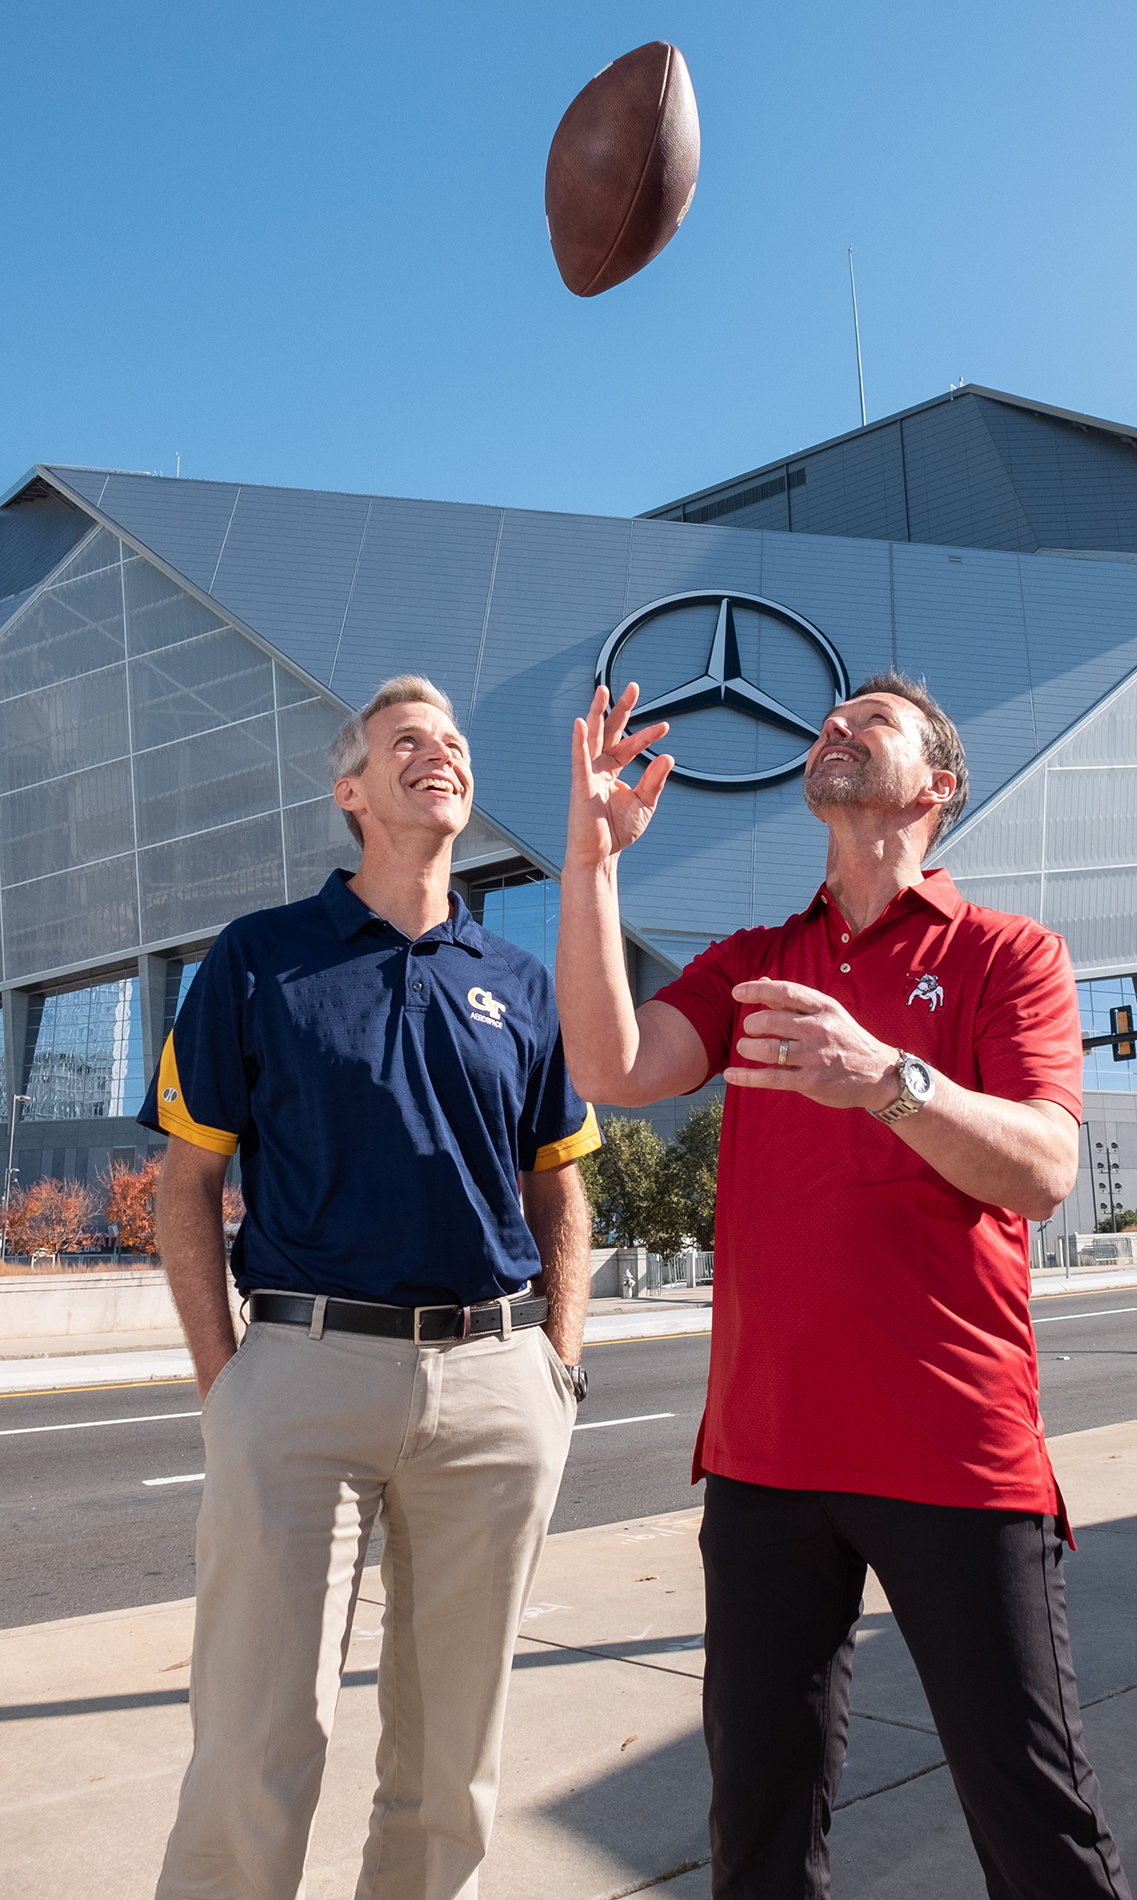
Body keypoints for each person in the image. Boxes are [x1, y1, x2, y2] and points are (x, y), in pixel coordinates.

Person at [555, 674, 1132, 1899]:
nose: (829, 727)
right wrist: (592, 862)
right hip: (766, 1464)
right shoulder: (756, 963)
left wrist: (884, 1076)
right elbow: (609, 1063)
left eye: (864, 720)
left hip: (955, 1453)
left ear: (934, 784)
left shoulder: (1006, 956)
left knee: (1037, 1829)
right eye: (825, 719)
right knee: (755, 1840)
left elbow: (1042, 1167)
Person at [144, 673, 599, 1900]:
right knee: (255, 1746)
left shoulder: (517, 978)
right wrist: (225, 1383)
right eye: (406, 740)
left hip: (497, 1382)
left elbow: (561, 1191)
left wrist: (554, 1366)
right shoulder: (259, 961)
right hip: (302, 1374)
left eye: (451, 740)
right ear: (350, 791)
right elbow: (181, 1188)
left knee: (452, 1773)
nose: (438, 752)